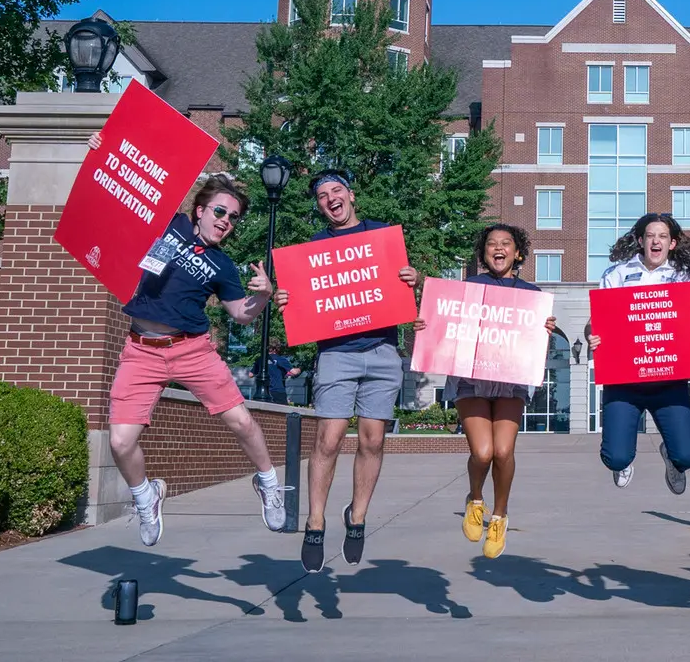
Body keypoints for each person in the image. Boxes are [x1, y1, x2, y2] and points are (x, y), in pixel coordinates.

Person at [103, 170, 287, 547]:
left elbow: (240, 314)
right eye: (220, 212)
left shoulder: (221, 265)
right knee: (120, 442)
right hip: (141, 351)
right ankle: (145, 496)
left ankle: (268, 482)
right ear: (200, 210)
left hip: (192, 350)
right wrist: (98, 149)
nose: (226, 222)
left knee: (241, 421)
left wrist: (265, 295)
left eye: (233, 218)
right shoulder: (170, 226)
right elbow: (128, 188)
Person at [272, 169, 420, 572]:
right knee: (329, 438)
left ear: (352, 196)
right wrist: (284, 296)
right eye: (322, 195)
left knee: (372, 440)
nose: (330, 199)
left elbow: (404, 286)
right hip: (337, 352)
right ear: (319, 206)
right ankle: (315, 522)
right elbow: (300, 302)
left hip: (383, 351)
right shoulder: (314, 249)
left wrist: (413, 278)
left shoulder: (382, 237)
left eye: (336, 191)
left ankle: (356, 517)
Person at [432, 222, 561, 558]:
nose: (498, 248)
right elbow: (443, 326)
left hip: (510, 380)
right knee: (484, 452)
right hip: (471, 380)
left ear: (518, 253)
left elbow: (534, 345)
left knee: (503, 451)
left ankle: (499, 516)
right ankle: (475, 497)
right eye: (492, 243)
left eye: (506, 243)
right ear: (484, 252)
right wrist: (428, 322)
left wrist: (545, 329)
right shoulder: (467, 287)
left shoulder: (532, 295)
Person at [587, 212, 690, 495]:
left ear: (672, 243)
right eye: (650, 236)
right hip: (624, 383)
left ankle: (672, 459)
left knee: (687, 457)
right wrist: (591, 334)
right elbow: (596, 322)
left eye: (662, 236)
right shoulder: (616, 274)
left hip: (669, 381)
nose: (656, 241)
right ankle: (623, 463)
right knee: (614, 457)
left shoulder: (685, 276)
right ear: (640, 240)